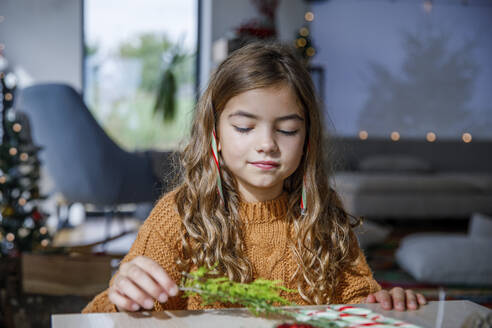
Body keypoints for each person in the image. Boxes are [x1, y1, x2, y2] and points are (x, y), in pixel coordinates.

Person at [83, 41, 426, 313]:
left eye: (288, 130)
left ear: (307, 139)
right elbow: (102, 317)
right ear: (214, 131)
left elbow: (359, 303)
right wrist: (123, 297)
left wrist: (383, 303)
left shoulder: (324, 214)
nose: (267, 144)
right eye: (245, 127)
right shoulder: (179, 217)